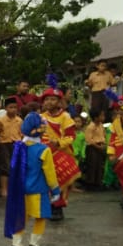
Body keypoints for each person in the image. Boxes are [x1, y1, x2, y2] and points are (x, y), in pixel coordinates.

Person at [4, 112, 61, 246]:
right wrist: (55, 190)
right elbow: (50, 173)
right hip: (38, 190)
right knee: (40, 217)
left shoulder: (18, 147)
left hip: (20, 190)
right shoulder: (44, 150)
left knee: (21, 218)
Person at [39, 87, 78, 220]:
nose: (50, 102)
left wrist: (58, 143)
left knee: (60, 182)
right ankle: (48, 206)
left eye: (53, 99)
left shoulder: (65, 117)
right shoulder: (40, 117)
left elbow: (71, 136)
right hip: (44, 154)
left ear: (59, 102)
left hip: (61, 154)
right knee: (46, 181)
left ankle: (58, 207)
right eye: (47, 99)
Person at [0, 96, 23, 197]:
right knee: (5, 167)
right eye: (10, 107)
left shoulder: (19, 120)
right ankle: (4, 189)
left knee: (16, 166)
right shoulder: (1, 121)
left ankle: (15, 188)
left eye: (15, 107)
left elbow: (22, 133)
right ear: (5, 108)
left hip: (17, 144)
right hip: (4, 144)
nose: (13, 110)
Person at [83, 110, 107, 190]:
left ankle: (98, 182)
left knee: (99, 165)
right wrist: (98, 146)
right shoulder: (90, 127)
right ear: (96, 117)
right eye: (101, 115)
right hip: (93, 147)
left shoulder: (101, 125)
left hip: (100, 145)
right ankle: (90, 183)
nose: (103, 117)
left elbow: (103, 135)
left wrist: (103, 144)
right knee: (92, 165)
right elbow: (89, 140)